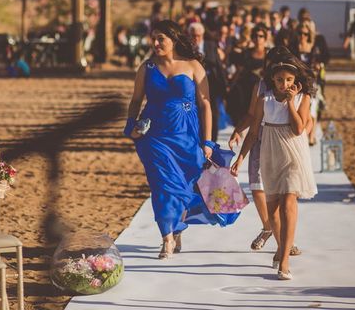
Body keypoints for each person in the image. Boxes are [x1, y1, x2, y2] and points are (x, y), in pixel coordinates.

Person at [124, 20, 233, 259]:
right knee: (162, 186)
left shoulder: (193, 65)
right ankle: (167, 238)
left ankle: (177, 226)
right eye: (153, 38)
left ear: (173, 39)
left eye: (161, 38)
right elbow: (135, 101)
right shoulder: (147, 67)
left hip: (187, 135)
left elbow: (205, 104)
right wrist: (131, 125)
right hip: (154, 135)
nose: (155, 43)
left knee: (184, 185)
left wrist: (207, 142)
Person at [231, 52, 317, 280]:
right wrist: (241, 158)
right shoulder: (265, 99)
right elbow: (255, 131)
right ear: (273, 80)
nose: (285, 84)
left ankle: (285, 261)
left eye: (289, 79)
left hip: (293, 152)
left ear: (295, 80)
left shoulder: (303, 97)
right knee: (273, 210)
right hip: (270, 153)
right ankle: (280, 248)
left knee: (289, 200)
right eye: (280, 80)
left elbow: (299, 129)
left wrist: (290, 102)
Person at [189, 22, 228, 141]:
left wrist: (224, 87)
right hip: (193, 86)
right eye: (193, 35)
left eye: (198, 35)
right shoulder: (186, 48)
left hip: (212, 86)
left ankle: (212, 142)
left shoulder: (211, 46)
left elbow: (219, 66)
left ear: (203, 35)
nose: (196, 38)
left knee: (213, 114)